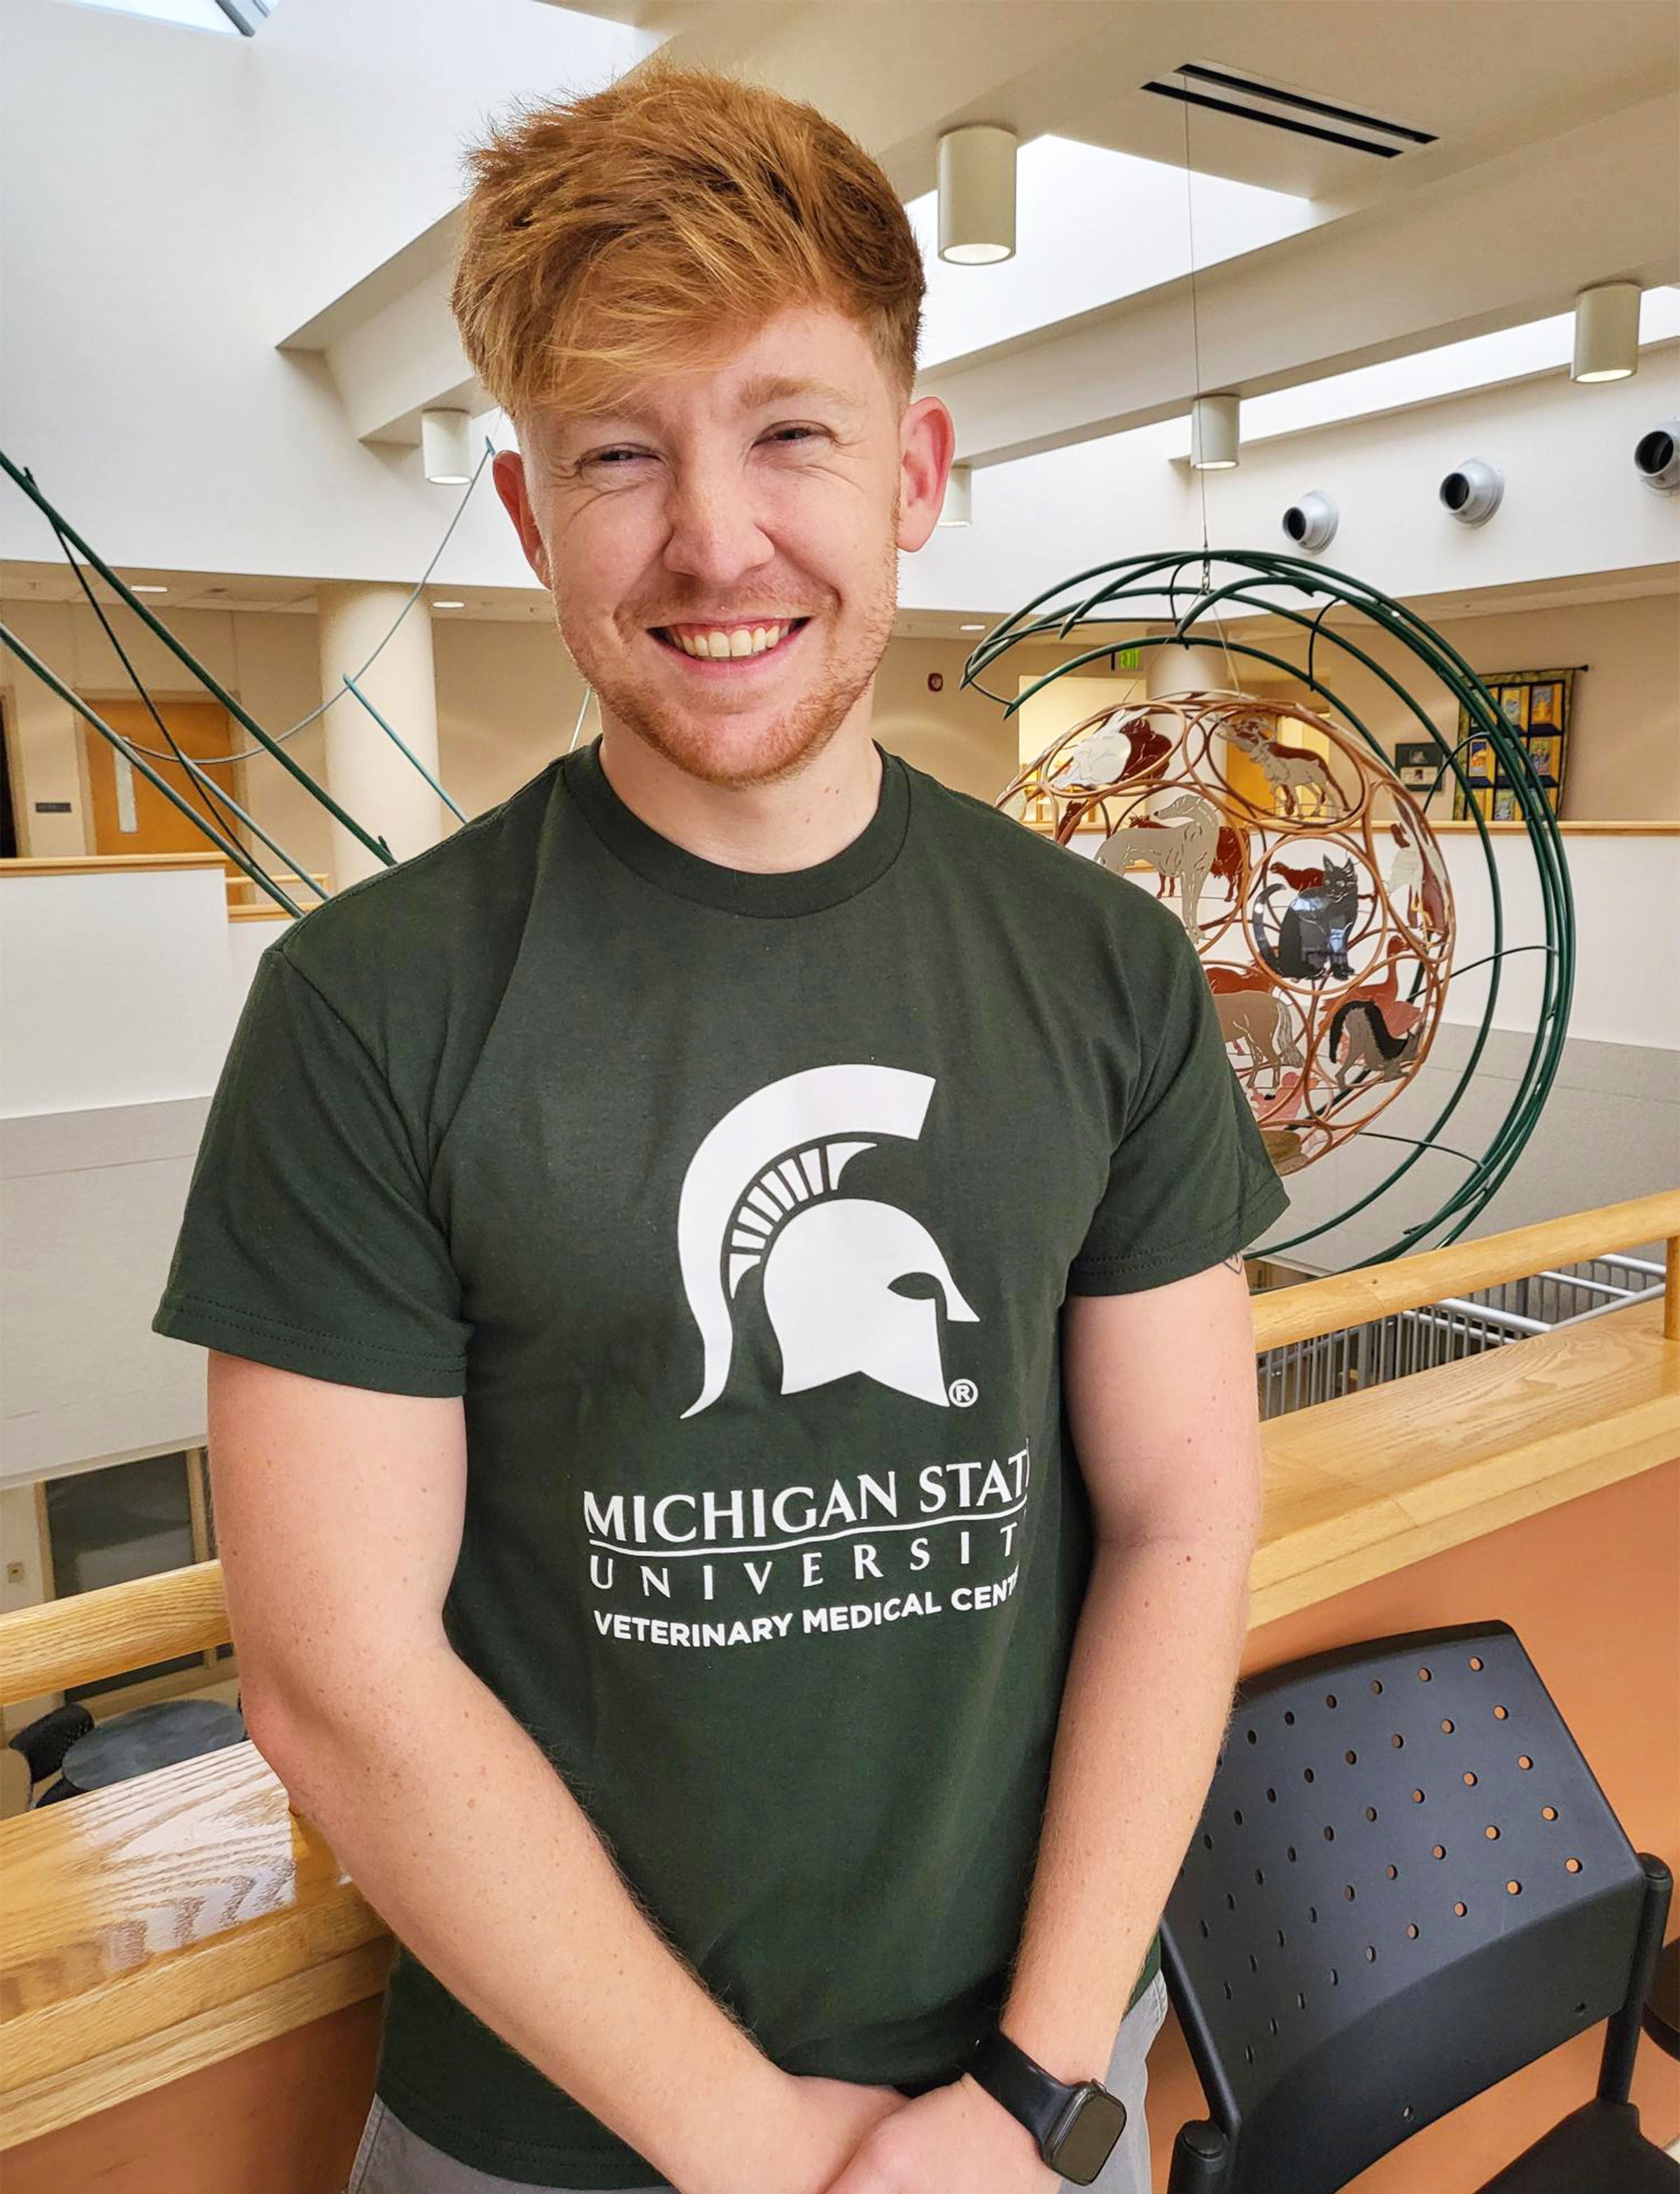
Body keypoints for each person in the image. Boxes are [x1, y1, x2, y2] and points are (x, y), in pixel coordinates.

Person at [152, 60, 1289, 2194]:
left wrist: (1036, 2097)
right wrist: (762, 2154)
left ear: (914, 470)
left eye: (790, 432)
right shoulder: (369, 1010)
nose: (714, 537)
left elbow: (1181, 1524)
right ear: (524, 517)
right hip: (553, 2141)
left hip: (1021, 2113)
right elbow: (336, 1679)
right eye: (617, 454)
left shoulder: (1106, 971)